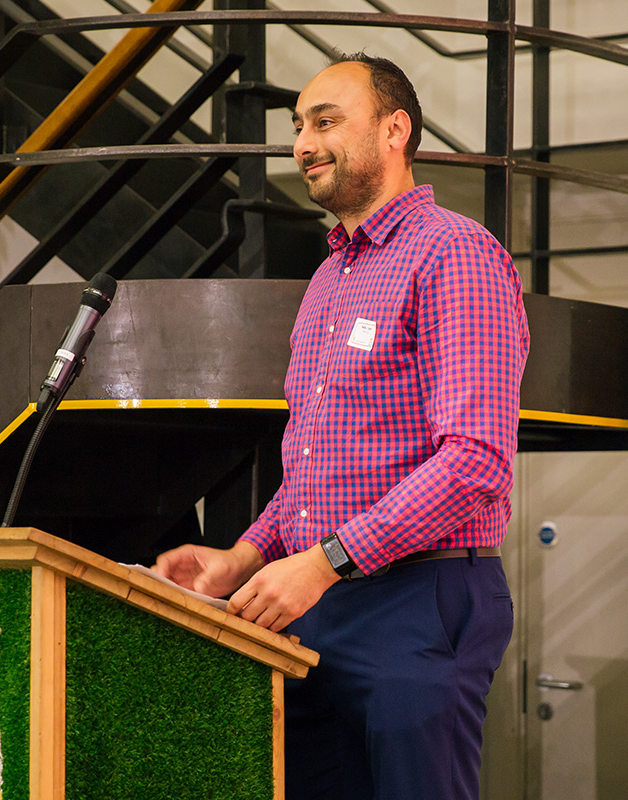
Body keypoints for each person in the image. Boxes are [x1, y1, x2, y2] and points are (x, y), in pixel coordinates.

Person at [154, 52, 530, 800]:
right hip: (321, 606)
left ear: (396, 130)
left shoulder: (455, 253)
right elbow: (317, 471)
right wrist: (245, 556)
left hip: (419, 601)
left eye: (326, 121)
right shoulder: (330, 277)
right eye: (298, 126)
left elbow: (475, 461)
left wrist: (323, 562)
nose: (303, 143)